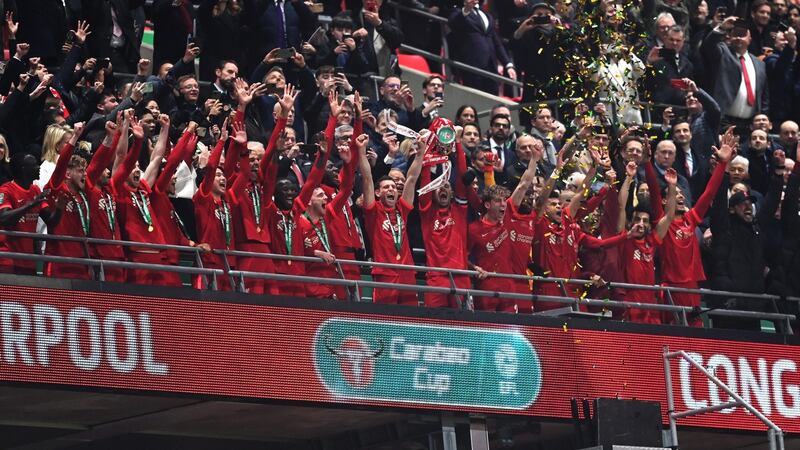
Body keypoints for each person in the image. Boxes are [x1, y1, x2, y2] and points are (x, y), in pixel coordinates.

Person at [645, 127, 736, 326]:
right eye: (673, 194)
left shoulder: (691, 218)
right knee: (672, 331)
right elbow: (653, 189)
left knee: (696, 331)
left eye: (680, 193)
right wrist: (646, 162)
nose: (679, 195)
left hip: (693, 286)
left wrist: (723, 163)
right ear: (663, 201)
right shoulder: (662, 221)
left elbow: (710, 192)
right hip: (670, 286)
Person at [358, 126, 425, 305]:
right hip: (385, 274)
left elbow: (411, 179)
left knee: (410, 322)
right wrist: (361, 153)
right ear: (378, 193)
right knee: (384, 322)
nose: (391, 189)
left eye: (394, 187)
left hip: (407, 273)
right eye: (386, 187)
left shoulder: (402, 209)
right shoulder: (373, 211)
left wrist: (420, 154)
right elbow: (366, 178)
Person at [192, 119, 251, 291]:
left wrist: (244, 148)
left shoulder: (229, 199)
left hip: (230, 262)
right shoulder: (202, 197)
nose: (223, 178)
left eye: (223, 175)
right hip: (209, 261)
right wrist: (221, 141)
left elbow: (245, 173)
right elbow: (211, 167)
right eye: (218, 176)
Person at [617, 161, 678, 323]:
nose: (641, 224)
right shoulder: (624, 239)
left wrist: (671, 187)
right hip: (630, 304)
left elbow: (669, 216)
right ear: (630, 222)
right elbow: (621, 206)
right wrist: (629, 178)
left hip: (651, 305)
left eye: (645, 220)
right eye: (637, 219)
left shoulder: (652, 240)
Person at [418, 122, 470, 308]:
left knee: (463, 326)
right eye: (438, 186)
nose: (443, 189)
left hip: (461, 277)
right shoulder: (427, 213)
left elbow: (463, 176)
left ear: (453, 192)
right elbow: (424, 185)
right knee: (433, 327)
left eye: (446, 186)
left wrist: (457, 142)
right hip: (436, 277)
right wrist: (426, 149)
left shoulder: (460, 210)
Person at [43, 123, 91, 280]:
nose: (85, 174)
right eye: (80, 171)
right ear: (67, 173)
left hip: (82, 263)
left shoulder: (83, 196)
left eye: (85, 171)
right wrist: (75, 137)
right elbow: (61, 164)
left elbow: (99, 164)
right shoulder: (57, 187)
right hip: (58, 262)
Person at [448, 0, 516, 94]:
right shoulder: (457, 12)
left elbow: (497, 43)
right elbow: (454, 24)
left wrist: (508, 65)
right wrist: (466, 9)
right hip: (472, 65)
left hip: (491, 66)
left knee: (493, 98)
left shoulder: (487, 16)